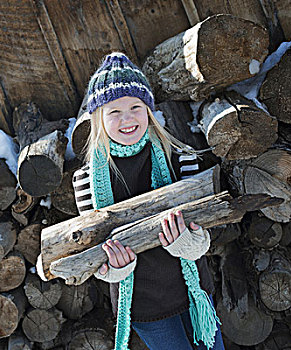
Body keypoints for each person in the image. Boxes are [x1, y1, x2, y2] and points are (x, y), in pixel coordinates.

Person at [72, 52, 225, 350]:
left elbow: (208, 229)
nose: (127, 119)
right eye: (114, 111)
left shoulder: (181, 160)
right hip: (143, 304)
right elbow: (92, 249)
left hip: (192, 292)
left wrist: (191, 243)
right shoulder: (86, 182)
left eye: (135, 107)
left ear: (149, 110)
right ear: (98, 118)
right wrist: (114, 268)